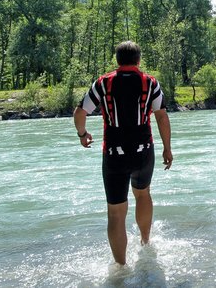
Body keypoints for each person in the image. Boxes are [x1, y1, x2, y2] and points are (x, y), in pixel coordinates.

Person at [73, 41, 173, 265]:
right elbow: (162, 117)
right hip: (143, 151)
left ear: (117, 60)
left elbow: (80, 113)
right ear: (139, 60)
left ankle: (120, 266)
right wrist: (167, 147)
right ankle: (146, 242)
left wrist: (83, 134)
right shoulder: (151, 83)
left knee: (116, 212)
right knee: (143, 194)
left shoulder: (103, 83)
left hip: (114, 154)